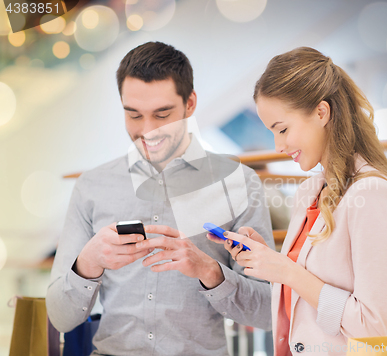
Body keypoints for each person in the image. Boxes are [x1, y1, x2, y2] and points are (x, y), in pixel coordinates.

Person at [46, 42, 274, 355]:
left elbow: (269, 311)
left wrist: (210, 272)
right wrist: (88, 262)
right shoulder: (92, 186)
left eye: (162, 114)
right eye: (134, 115)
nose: (148, 130)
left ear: (190, 104)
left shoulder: (238, 183)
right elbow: (60, 318)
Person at [207, 47, 387, 355]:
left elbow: (378, 329)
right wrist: (271, 260)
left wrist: (288, 271)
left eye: (282, 129)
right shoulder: (310, 192)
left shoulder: (371, 194)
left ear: (322, 112)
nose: (278, 145)